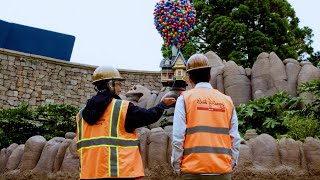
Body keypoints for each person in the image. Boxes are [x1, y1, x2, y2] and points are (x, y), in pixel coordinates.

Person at [76, 66, 176, 180]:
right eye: (118, 84)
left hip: (88, 175)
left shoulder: (80, 115)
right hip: (119, 173)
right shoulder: (121, 108)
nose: (120, 89)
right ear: (111, 84)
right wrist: (162, 104)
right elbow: (148, 116)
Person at [171, 54, 241, 180]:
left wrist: (177, 165)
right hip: (222, 171)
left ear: (189, 78)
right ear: (209, 75)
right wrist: (231, 164)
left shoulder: (185, 99)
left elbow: (178, 138)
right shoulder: (227, 101)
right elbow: (235, 138)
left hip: (192, 171)